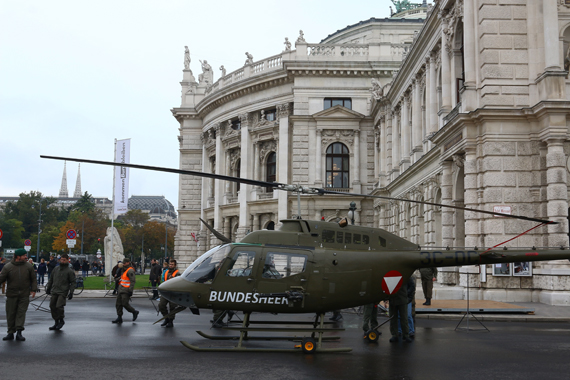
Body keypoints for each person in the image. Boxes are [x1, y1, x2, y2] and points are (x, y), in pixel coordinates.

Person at [0, 248, 38, 341]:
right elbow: (1, 278)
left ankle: (19, 332)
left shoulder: (28, 266)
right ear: (18, 257)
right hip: (12, 294)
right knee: (11, 313)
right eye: (24, 255)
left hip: (24, 294)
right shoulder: (8, 267)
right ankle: (10, 333)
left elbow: (33, 279)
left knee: (21, 313)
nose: (26, 257)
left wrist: (33, 289)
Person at [45, 254, 75, 331]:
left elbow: (73, 282)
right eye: (61, 259)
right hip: (55, 290)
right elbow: (51, 279)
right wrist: (48, 288)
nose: (62, 261)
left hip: (63, 291)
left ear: (67, 260)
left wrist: (71, 292)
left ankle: (61, 320)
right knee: (52, 306)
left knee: (59, 306)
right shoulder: (56, 269)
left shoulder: (69, 271)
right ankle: (56, 321)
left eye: (64, 260)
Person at [112, 258, 139, 324]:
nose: (123, 264)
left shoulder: (130, 270)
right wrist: (118, 279)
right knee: (118, 304)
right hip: (121, 289)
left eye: (124, 263)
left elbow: (132, 281)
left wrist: (130, 290)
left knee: (125, 304)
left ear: (128, 262)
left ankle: (134, 312)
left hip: (126, 290)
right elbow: (123, 277)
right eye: (123, 263)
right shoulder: (124, 269)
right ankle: (119, 317)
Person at [159, 259, 181, 328]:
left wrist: (173, 278)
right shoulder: (166, 272)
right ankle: (166, 318)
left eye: (172, 264)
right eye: (170, 264)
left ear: (175, 265)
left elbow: (179, 282)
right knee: (161, 305)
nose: (170, 265)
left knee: (172, 307)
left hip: (173, 293)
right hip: (165, 292)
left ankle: (171, 321)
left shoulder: (177, 273)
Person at [388, 278, 411, 343]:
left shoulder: (404, 274)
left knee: (404, 318)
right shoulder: (391, 275)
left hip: (402, 299)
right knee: (393, 318)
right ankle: (394, 335)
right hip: (393, 299)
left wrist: (408, 297)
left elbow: (411, 285)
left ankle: (406, 335)